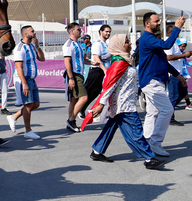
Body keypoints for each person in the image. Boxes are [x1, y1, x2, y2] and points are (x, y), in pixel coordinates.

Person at [81, 34, 166, 170]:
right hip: (124, 105)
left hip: (124, 103)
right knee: (136, 130)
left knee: (111, 126)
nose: (130, 43)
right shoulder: (119, 63)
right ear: (119, 45)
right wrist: (101, 104)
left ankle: (97, 151)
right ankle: (149, 158)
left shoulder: (125, 60)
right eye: (126, 42)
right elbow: (109, 85)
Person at [138, 12, 187, 157]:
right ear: (147, 24)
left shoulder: (151, 39)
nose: (159, 23)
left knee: (152, 113)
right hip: (151, 81)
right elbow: (166, 45)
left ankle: (146, 141)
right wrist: (177, 28)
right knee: (167, 110)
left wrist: (178, 75)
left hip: (155, 81)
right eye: (156, 21)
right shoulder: (147, 38)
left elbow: (163, 60)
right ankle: (155, 142)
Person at [7, 25, 45, 139]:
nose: (34, 32)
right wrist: (24, 83)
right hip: (23, 79)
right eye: (32, 31)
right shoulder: (20, 48)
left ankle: (14, 117)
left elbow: (42, 59)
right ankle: (28, 131)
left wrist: (37, 47)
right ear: (25, 34)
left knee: (36, 104)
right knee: (28, 105)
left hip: (32, 79)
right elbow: (18, 67)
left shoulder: (32, 46)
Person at [63, 22, 91, 132]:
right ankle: (71, 120)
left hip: (79, 74)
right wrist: (71, 78)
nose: (81, 32)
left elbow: (83, 59)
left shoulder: (78, 44)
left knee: (74, 99)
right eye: (78, 30)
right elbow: (67, 62)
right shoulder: (68, 45)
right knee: (84, 98)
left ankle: (70, 121)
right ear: (72, 31)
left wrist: (94, 63)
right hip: (74, 74)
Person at [80, 25, 112, 119]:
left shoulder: (106, 44)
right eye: (106, 31)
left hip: (104, 71)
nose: (108, 33)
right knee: (89, 92)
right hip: (97, 71)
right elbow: (97, 59)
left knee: (100, 92)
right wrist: (105, 70)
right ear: (100, 32)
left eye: (109, 32)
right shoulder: (97, 44)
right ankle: (79, 110)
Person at [166, 37, 192, 125]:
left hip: (180, 75)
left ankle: (167, 110)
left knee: (183, 92)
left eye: (185, 47)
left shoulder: (180, 52)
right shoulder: (172, 47)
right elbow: (168, 57)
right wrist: (183, 55)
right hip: (173, 75)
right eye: (182, 46)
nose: (183, 48)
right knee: (173, 96)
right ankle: (170, 118)